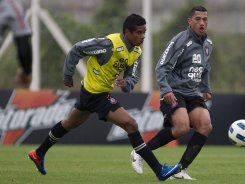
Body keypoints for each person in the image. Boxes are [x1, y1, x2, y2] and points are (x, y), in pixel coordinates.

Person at [27, 13, 181, 181]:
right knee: (131, 124)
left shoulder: (136, 51)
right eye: (138, 32)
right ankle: (160, 170)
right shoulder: (109, 44)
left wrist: (126, 83)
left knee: (70, 123)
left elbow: (132, 78)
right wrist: (68, 75)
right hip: (95, 94)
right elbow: (77, 49)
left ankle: (38, 153)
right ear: (126, 32)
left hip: (95, 92)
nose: (142, 36)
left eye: (144, 32)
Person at [131, 6, 213, 180]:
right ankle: (140, 152)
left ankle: (181, 170)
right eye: (197, 19)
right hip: (174, 91)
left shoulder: (207, 44)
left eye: (205, 19)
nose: (202, 23)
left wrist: (205, 88)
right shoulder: (180, 41)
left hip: (192, 93)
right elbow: (161, 66)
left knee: (205, 125)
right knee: (182, 127)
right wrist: (166, 89)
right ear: (189, 21)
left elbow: (205, 67)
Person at [0, 0, 32, 85]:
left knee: (23, 39)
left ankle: (26, 72)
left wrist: (26, 70)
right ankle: (26, 71)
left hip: (10, 5)